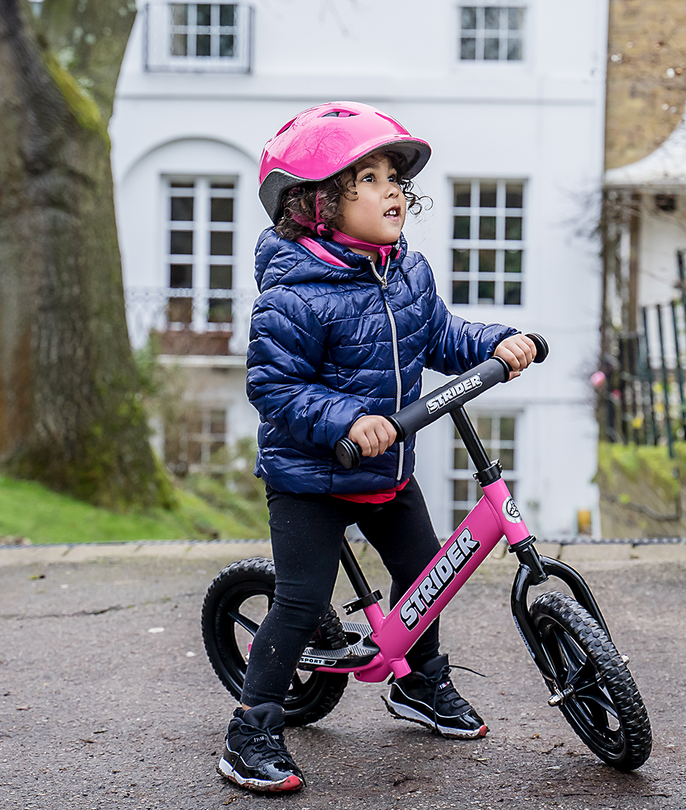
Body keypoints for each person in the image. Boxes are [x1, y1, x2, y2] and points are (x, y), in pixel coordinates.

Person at [217, 101, 538, 793]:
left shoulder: (407, 272)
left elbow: (444, 340)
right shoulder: (294, 294)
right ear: (318, 202)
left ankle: (419, 685)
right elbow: (275, 388)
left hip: (389, 468)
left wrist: (498, 344)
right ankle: (251, 729)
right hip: (312, 474)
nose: (391, 189)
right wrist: (344, 420)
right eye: (368, 177)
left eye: (394, 175)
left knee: (426, 576)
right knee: (301, 603)